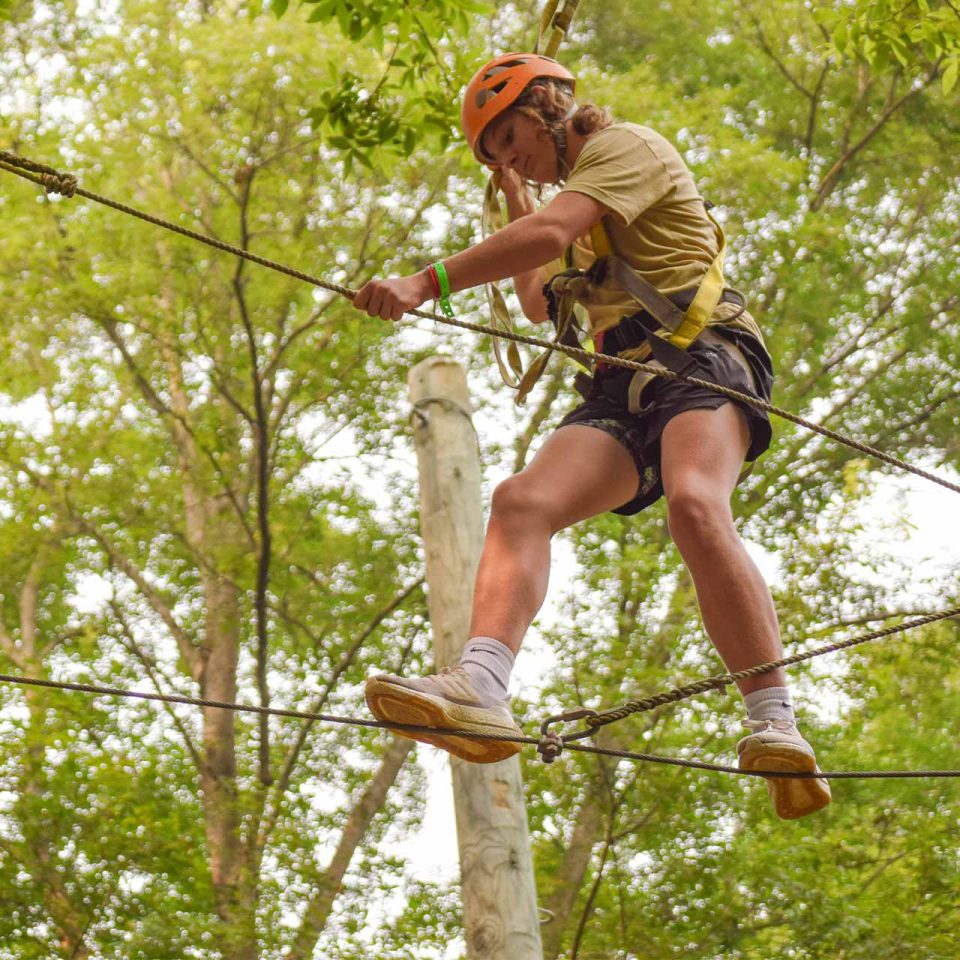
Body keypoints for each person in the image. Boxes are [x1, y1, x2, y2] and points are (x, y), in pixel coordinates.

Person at [354, 53, 831, 819]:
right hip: (623, 382)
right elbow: (542, 300)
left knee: (695, 505)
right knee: (521, 502)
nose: (514, 160)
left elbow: (549, 233)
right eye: (500, 155)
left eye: (512, 139)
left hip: (701, 354)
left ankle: (776, 722)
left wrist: (422, 282)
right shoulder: (567, 203)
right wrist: (514, 198)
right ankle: (481, 682)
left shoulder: (625, 149)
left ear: (547, 106)